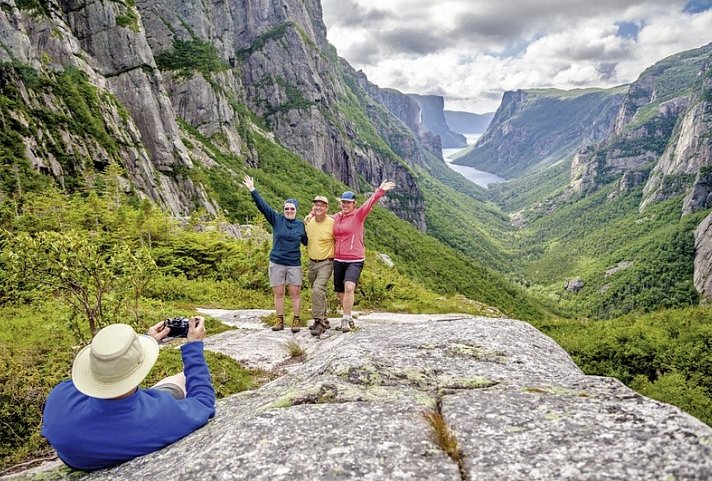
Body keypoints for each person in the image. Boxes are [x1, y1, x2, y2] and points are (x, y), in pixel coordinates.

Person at [41, 317, 215, 471]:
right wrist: (194, 347)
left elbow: (101, 376)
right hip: (137, 420)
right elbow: (204, 401)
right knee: (182, 378)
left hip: (79, 459)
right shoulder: (160, 416)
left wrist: (145, 342)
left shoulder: (59, 397)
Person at [243, 175, 307, 332]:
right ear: (283, 209)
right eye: (287, 208)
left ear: (296, 210)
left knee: (295, 293)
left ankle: (296, 320)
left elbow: (306, 241)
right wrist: (253, 190)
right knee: (278, 293)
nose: (289, 211)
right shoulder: (276, 219)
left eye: (292, 209)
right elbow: (262, 206)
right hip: (277, 261)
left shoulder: (301, 225)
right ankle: (279, 320)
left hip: (294, 263)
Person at [333, 180, 396, 332]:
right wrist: (311, 216)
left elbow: (370, 202)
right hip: (338, 259)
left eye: (348, 202)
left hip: (355, 259)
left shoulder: (358, 215)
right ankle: (347, 316)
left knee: (349, 287)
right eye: (343, 202)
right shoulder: (336, 217)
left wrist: (380, 190)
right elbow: (324, 221)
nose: (345, 204)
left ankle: (346, 319)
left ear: (354, 203)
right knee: (340, 291)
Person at [304, 195, 335, 337]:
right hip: (312, 262)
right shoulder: (309, 222)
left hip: (326, 262)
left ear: (326, 208)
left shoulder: (332, 223)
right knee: (317, 291)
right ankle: (325, 319)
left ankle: (319, 322)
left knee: (317, 289)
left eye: (321, 205)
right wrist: (309, 215)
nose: (318, 207)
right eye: (316, 204)